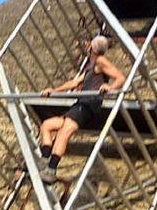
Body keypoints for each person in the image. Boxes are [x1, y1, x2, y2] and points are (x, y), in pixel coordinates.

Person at [38, 35, 125, 184]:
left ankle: (51, 170)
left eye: (89, 44)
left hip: (87, 106)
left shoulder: (101, 61)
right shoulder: (91, 65)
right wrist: (53, 90)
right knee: (46, 125)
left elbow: (120, 78)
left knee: (63, 133)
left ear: (91, 47)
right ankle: (45, 159)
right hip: (79, 105)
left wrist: (109, 87)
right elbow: (74, 83)